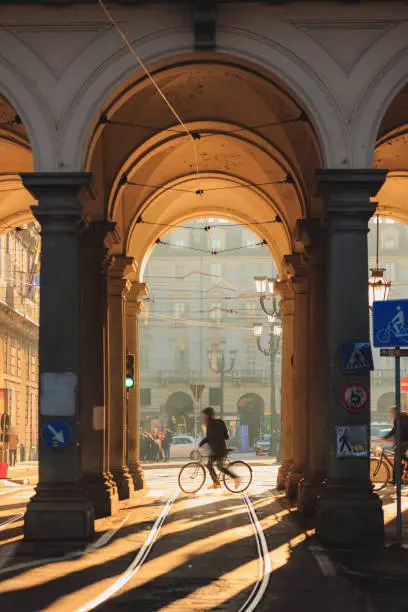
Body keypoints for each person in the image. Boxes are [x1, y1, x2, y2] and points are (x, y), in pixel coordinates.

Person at [199, 407, 241, 490]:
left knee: (219, 466)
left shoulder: (211, 424)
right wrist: (202, 443)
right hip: (216, 449)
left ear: (208, 415)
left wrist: (202, 443)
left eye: (205, 415)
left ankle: (236, 477)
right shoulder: (219, 422)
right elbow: (226, 437)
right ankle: (216, 483)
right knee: (210, 465)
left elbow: (210, 437)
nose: (204, 417)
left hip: (219, 450)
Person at [383, 407, 408, 479]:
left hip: (405, 441)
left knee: (398, 453)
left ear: (396, 412)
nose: (391, 414)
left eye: (392, 412)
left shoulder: (403, 418)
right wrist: (385, 437)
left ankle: (397, 478)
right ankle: (397, 478)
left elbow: (403, 432)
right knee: (397, 459)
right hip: (403, 441)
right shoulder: (398, 419)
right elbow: (394, 430)